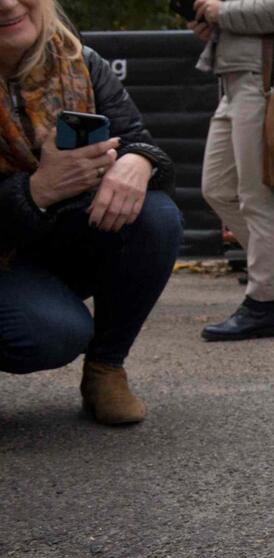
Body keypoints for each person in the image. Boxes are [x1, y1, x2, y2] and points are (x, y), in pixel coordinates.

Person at [0, 0, 182, 424]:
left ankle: (105, 368)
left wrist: (139, 161)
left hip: (46, 243)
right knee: (47, 334)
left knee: (156, 216)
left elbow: (140, 140)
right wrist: (36, 192)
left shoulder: (76, 60)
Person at [189, 0, 274, 341]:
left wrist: (221, 14)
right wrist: (213, 28)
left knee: (258, 196)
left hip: (267, 82)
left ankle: (263, 302)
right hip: (240, 81)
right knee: (217, 187)